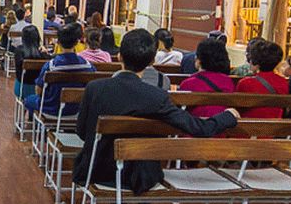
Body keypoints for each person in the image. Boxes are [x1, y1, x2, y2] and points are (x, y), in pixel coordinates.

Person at [73, 28, 238, 193]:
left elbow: (81, 132)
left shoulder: (95, 88)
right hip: (139, 177)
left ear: (119, 56)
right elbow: (198, 128)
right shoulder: (157, 97)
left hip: (95, 171)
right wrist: (227, 116)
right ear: (152, 61)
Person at [24, 24, 94, 117]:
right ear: (77, 42)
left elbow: (38, 90)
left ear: (58, 43)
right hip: (77, 110)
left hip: (51, 109)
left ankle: (38, 127)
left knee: (29, 99)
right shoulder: (88, 66)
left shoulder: (51, 65)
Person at [179, 38, 235, 117]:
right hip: (222, 124)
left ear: (199, 60)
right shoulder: (228, 81)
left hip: (197, 125)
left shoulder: (188, 83)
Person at [235, 40, 289, 118]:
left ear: (256, 62)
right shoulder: (283, 82)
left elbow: (239, 108)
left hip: (247, 127)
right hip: (275, 127)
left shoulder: (245, 83)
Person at [14, 25, 49, 99]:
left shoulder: (19, 51)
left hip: (21, 89)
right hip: (39, 90)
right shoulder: (43, 54)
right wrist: (45, 53)